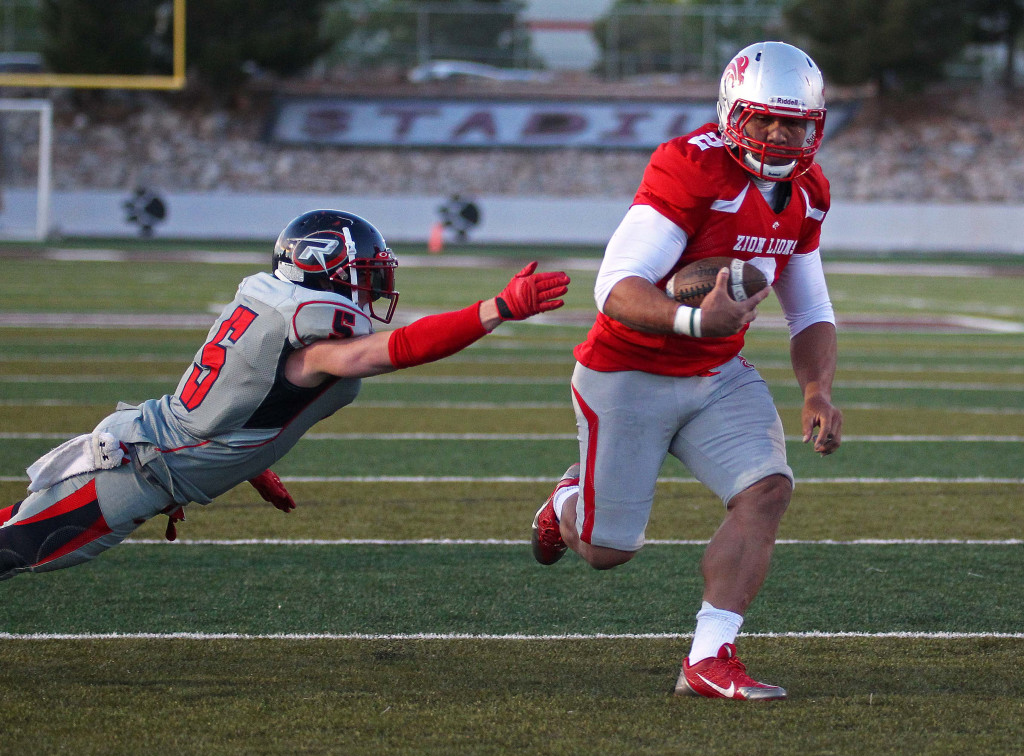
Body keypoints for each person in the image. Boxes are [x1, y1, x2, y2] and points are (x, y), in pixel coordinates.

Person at [0, 209, 569, 580]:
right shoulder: (314, 335)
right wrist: (496, 309)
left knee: (14, 535)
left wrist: (249, 457)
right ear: (320, 266)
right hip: (134, 471)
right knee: (19, 550)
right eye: (361, 272)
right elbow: (395, 351)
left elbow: (242, 393)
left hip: (146, 452)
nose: (372, 286)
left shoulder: (273, 304)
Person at [530, 41, 842, 701]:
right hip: (629, 368)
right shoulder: (691, 166)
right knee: (609, 548)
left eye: (795, 123)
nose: (780, 134)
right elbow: (615, 286)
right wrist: (695, 320)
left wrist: (817, 389)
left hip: (716, 372)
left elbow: (809, 305)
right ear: (734, 114)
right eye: (764, 119)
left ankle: (708, 656)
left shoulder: (808, 193)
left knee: (767, 488)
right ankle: (564, 505)